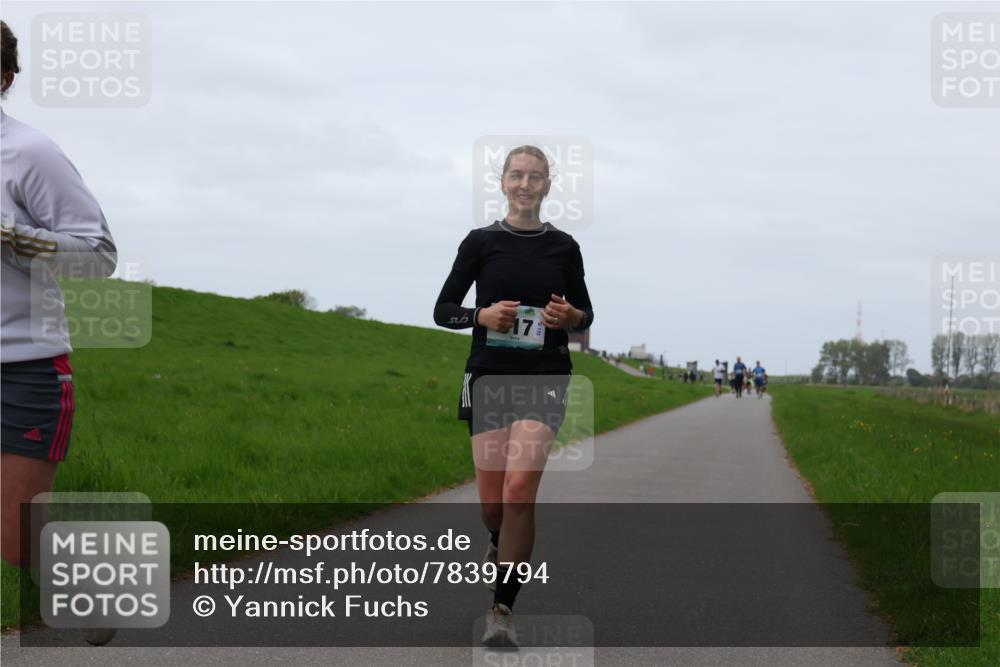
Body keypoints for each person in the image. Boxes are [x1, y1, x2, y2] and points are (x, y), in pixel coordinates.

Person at [434, 145, 593, 648]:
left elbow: (586, 314)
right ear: (502, 182)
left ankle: (502, 608)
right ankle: (497, 540)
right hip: (489, 376)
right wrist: (479, 316)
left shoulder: (565, 246)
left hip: (547, 375)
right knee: (492, 504)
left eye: (536, 176)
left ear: (549, 186)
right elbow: (443, 309)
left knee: (520, 490)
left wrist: (570, 318)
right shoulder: (480, 242)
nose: (526, 184)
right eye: (517, 175)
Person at [1, 20, 118, 645]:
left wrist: (12, 235)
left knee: (16, 541)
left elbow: (98, 255)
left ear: (5, 78)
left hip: (23, 365)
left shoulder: (30, 154)